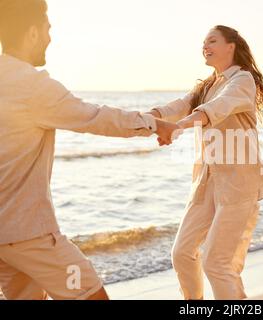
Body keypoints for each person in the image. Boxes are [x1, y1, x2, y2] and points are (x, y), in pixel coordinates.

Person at [0, 0, 180, 300]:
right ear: (32, 33)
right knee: (92, 296)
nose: (49, 37)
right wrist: (153, 124)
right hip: (29, 234)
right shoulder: (32, 86)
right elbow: (94, 117)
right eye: (47, 29)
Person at [150, 25, 263, 300]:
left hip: (238, 182)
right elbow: (178, 106)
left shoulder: (242, 80)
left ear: (231, 46)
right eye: (203, 42)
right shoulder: (207, 85)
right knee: (182, 253)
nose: (204, 46)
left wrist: (179, 126)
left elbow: (217, 109)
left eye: (212, 40)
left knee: (217, 264)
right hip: (205, 182)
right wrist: (148, 118)